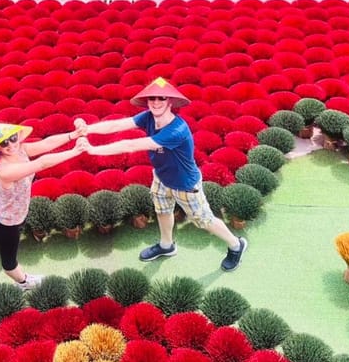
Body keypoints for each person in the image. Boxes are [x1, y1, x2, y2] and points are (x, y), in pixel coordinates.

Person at [75, 77, 248, 271]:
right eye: (152, 99)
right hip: (161, 176)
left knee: (204, 220)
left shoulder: (176, 130)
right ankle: (167, 246)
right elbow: (117, 125)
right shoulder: (148, 116)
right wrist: (87, 129)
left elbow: (131, 145)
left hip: (185, 184)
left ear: (170, 102)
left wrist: (93, 150)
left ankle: (236, 244)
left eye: (161, 99)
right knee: (162, 210)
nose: (156, 103)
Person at [0, 121, 87, 289]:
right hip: (7, 221)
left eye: (12, 138)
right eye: (3, 143)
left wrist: (73, 135)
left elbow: (46, 144)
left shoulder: (21, 150)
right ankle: (24, 282)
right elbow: (41, 163)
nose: (10, 145)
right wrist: (75, 151)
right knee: (9, 262)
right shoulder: (4, 170)